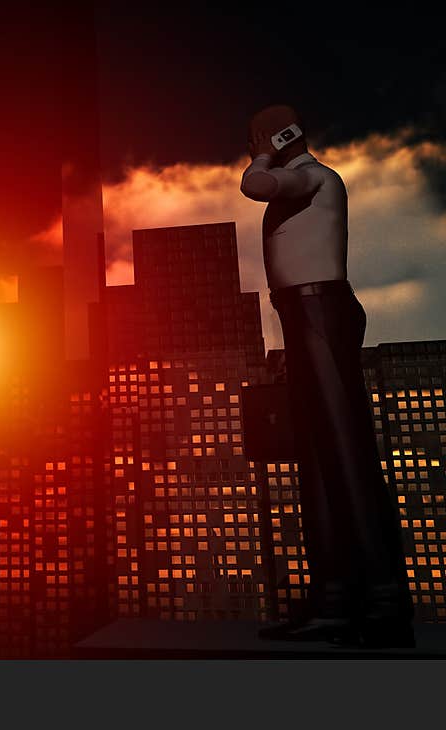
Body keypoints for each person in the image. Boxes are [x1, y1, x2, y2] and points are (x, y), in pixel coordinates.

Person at [241, 104, 414, 648]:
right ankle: (335, 598)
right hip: (300, 313)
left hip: (320, 309)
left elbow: (255, 184)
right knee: (316, 458)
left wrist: (266, 150)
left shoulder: (312, 177)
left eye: (260, 136)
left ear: (284, 134)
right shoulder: (301, 183)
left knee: (344, 451)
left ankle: (382, 598)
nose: (254, 146)